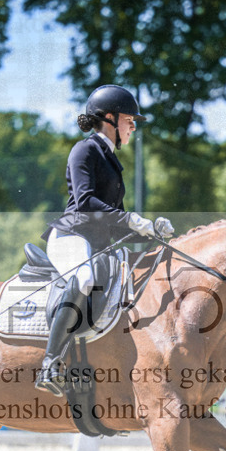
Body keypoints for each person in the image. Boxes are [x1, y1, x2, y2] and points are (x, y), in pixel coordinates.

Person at [36, 85, 174, 396]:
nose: (133, 126)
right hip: (70, 236)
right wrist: (129, 219)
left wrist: (150, 231)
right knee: (84, 278)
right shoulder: (85, 150)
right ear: (109, 118)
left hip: (96, 242)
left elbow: (116, 225)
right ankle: (50, 363)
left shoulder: (111, 160)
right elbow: (85, 202)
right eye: (129, 120)